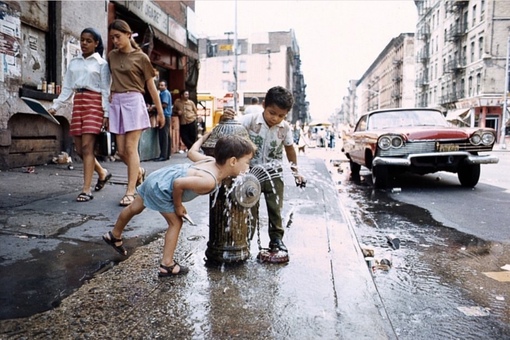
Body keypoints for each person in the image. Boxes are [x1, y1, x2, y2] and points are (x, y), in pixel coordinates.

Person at [102, 133, 256, 277]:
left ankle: (114, 235)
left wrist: (203, 138)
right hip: (162, 189)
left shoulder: (210, 161)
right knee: (176, 222)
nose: (248, 167)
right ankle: (167, 265)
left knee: (134, 208)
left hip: (158, 178)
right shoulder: (210, 181)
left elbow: (191, 152)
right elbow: (178, 184)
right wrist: (178, 206)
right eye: (247, 162)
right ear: (233, 161)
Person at [224, 86, 305, 253]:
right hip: (250, 172)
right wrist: (226, 119)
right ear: (263, 105)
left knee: (275, 208)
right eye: (272, 112)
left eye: (281, 115)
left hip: (274, 173)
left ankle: (276, 239)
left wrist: (296, 172)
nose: (275, 118)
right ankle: (246, 240)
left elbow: (290, 149)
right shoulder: (249, 120)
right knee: (249, 207)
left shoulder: (285, 128)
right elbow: (230, 131)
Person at [48, 27, 111, 202]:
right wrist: (56, 106)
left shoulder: (102, 64)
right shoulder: (74, 63)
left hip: (94, 104)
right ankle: (102, 172)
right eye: (82, 40)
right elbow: (67, 88)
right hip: (78, 103)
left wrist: (106, 113)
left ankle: (86, 190)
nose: (84, 43)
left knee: (87, 148)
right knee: (79, 149)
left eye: (88, 41)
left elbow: (106, 90)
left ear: (96, 43)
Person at [107, 19, 165, 206]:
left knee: (131, 148)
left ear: (128, 35)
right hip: (116, 102)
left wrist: (160, 111)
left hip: (134, 101)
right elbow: (108, 80)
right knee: (121, 151)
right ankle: (138, 172)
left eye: (118, 36)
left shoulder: (141, 57)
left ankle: (131, 191)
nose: (115, 40)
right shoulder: (112, 56)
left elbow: (151, 87)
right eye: (112, 38)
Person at [155, 80, 172, 161]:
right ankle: (167, 154)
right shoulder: (165, 93)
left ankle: (163, 155)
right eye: (159, 85)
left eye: (162, 85)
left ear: (165, 86)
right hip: (167, 116)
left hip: (164, 115)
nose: (160, 87)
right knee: (167, 135)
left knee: (163, 136)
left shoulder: (165, 93)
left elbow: (164, 104)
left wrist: (155, 107)